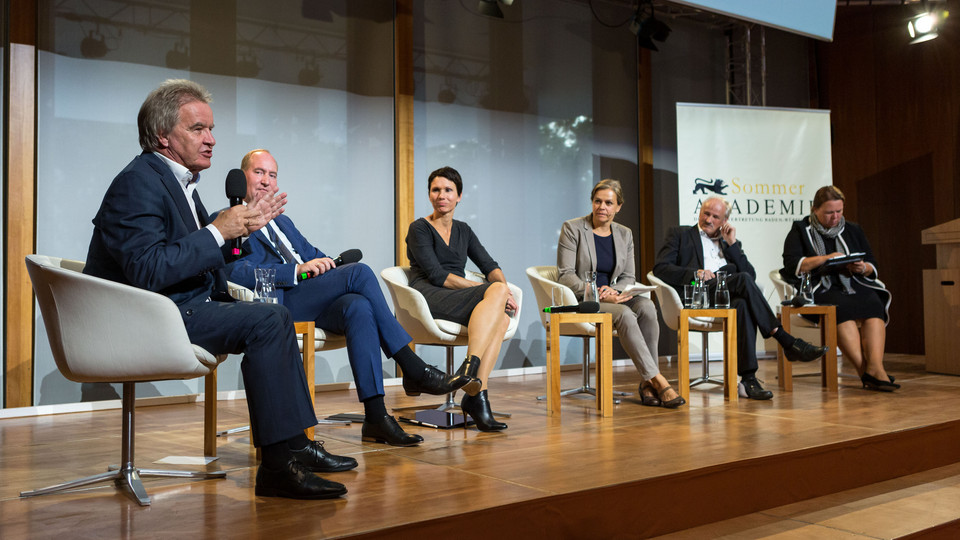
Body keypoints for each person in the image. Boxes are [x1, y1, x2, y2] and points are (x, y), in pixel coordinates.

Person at [83, 79, 357, 500]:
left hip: (177, 307)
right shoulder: (137, 182)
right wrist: (216, 232)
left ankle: (295, 446)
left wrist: (238, 235)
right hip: (146, 318)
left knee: (273, 316)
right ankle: (278, 465)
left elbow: (186, 258)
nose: (211, 140)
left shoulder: (179, 182)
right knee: (270, 319)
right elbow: (146, 269)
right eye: (198, 129)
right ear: (162, 135)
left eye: (211, 130)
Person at [224, 149, 470, 446]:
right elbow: (236, 273)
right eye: (258, 172)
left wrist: (327, 265)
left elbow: (313, 255)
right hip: (278, 304)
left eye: (272, 175)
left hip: (310, 296)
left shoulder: (283, 223)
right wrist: (296, 271)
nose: (265, 181)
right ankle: (411, 366)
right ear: (243, 177)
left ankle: (376, 417)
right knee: (360, 273)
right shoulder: (229, 221)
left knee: (359, 306)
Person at [653, 195, 829, 400]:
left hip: (726, 296)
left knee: (743, 303)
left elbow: (750, 278)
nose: (708, 220)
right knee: (742, 281)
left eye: (715, 216)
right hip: (698, 294)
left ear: (724, 221)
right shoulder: (680, 234)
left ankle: (748, 380)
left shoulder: (731, 245)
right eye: (706, 213)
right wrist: (696, 274)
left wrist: (732, 243)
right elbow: (661, 268)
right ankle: (785, 339)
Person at [405, 166, 518, 431]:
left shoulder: (463, 230)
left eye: (448, 190)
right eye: (435, 190)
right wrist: (491, 291)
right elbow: (436, 275)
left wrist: (504, 290)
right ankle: (471, 371)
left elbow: (489, 265)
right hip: (429, 296)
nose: (441, 196)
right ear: (429, 194)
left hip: (458, 296)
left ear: (459, 196)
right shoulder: (419, 228)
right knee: (497, 291)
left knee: (501, 317)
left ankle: (476, 394)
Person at [557, 179, 685, 408]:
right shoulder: (573, 228)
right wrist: (597, 293)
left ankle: (647, 384)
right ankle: (658, 381)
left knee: (647, 307)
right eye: (597, 201)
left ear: (619, 206)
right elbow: (565, 275)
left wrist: (613, 291)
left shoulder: (624, 234)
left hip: (614, 296)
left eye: (608, 202)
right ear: (592, 202)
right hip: (584, 298)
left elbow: (628, 277)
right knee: (624, 314)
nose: (602, 207)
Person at [781, 185, 896, 391]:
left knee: (873, 302)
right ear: (814, 209)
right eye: (829, 212)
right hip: (820, 286)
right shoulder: (800, 229)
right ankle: (867, 372)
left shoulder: (853, 229)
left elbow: (872, 263)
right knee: (840, 307)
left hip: (852, 282)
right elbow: (792, 265)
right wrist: (826, 259)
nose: (835, 217)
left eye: (839, 211)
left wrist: (862, 267)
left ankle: (876, 368)